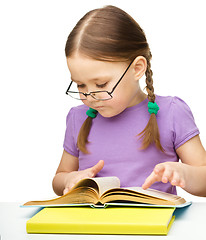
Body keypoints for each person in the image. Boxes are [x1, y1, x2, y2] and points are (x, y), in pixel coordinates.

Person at [52, 5, 206, 197]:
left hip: (152, 225)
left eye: (101, 84)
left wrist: (185, 174)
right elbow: (59, 178)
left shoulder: (171, 112)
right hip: (91, 225)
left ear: (137, 68)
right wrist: (69, 180)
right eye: (81, 85)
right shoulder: (77, 117)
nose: (90, 95)